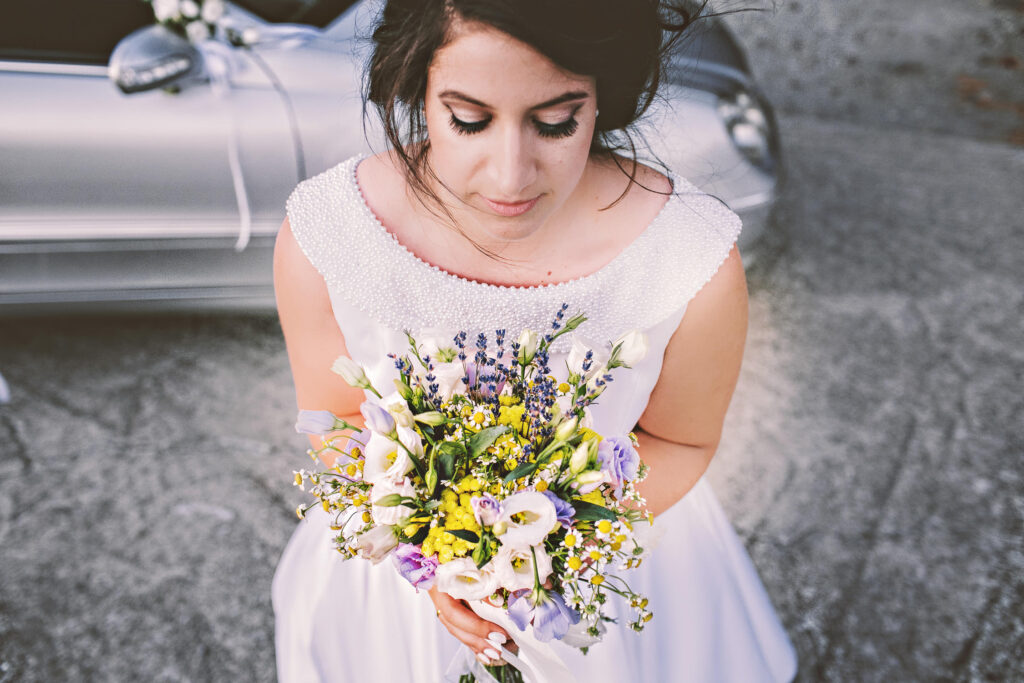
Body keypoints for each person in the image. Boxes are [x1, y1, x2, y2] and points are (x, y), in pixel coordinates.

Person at [272, 0, 797, 680]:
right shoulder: (330, 232)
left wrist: (549, 549)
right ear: (416, 87)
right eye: (468, 120)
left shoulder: (688, 257)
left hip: (606, 574)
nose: (510, 175)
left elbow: (682, 440)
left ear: (601, 97)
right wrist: (439, 555)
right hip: (395, 590)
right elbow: (335, 415)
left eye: (555, 122)